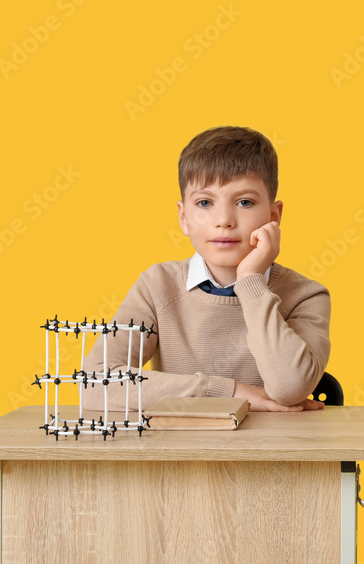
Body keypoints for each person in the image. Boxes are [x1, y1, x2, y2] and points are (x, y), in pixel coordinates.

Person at [82, 126, 330, 413]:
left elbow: (290, 388)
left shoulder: (306, 295)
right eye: (205, 203)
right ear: (184, 217)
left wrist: (250, 281)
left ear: (273, 216)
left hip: (271, 455)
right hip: (178, 455)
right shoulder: (157, 285)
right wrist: (226, 391)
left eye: (244, 202)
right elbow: (93, 383)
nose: (224, 220)